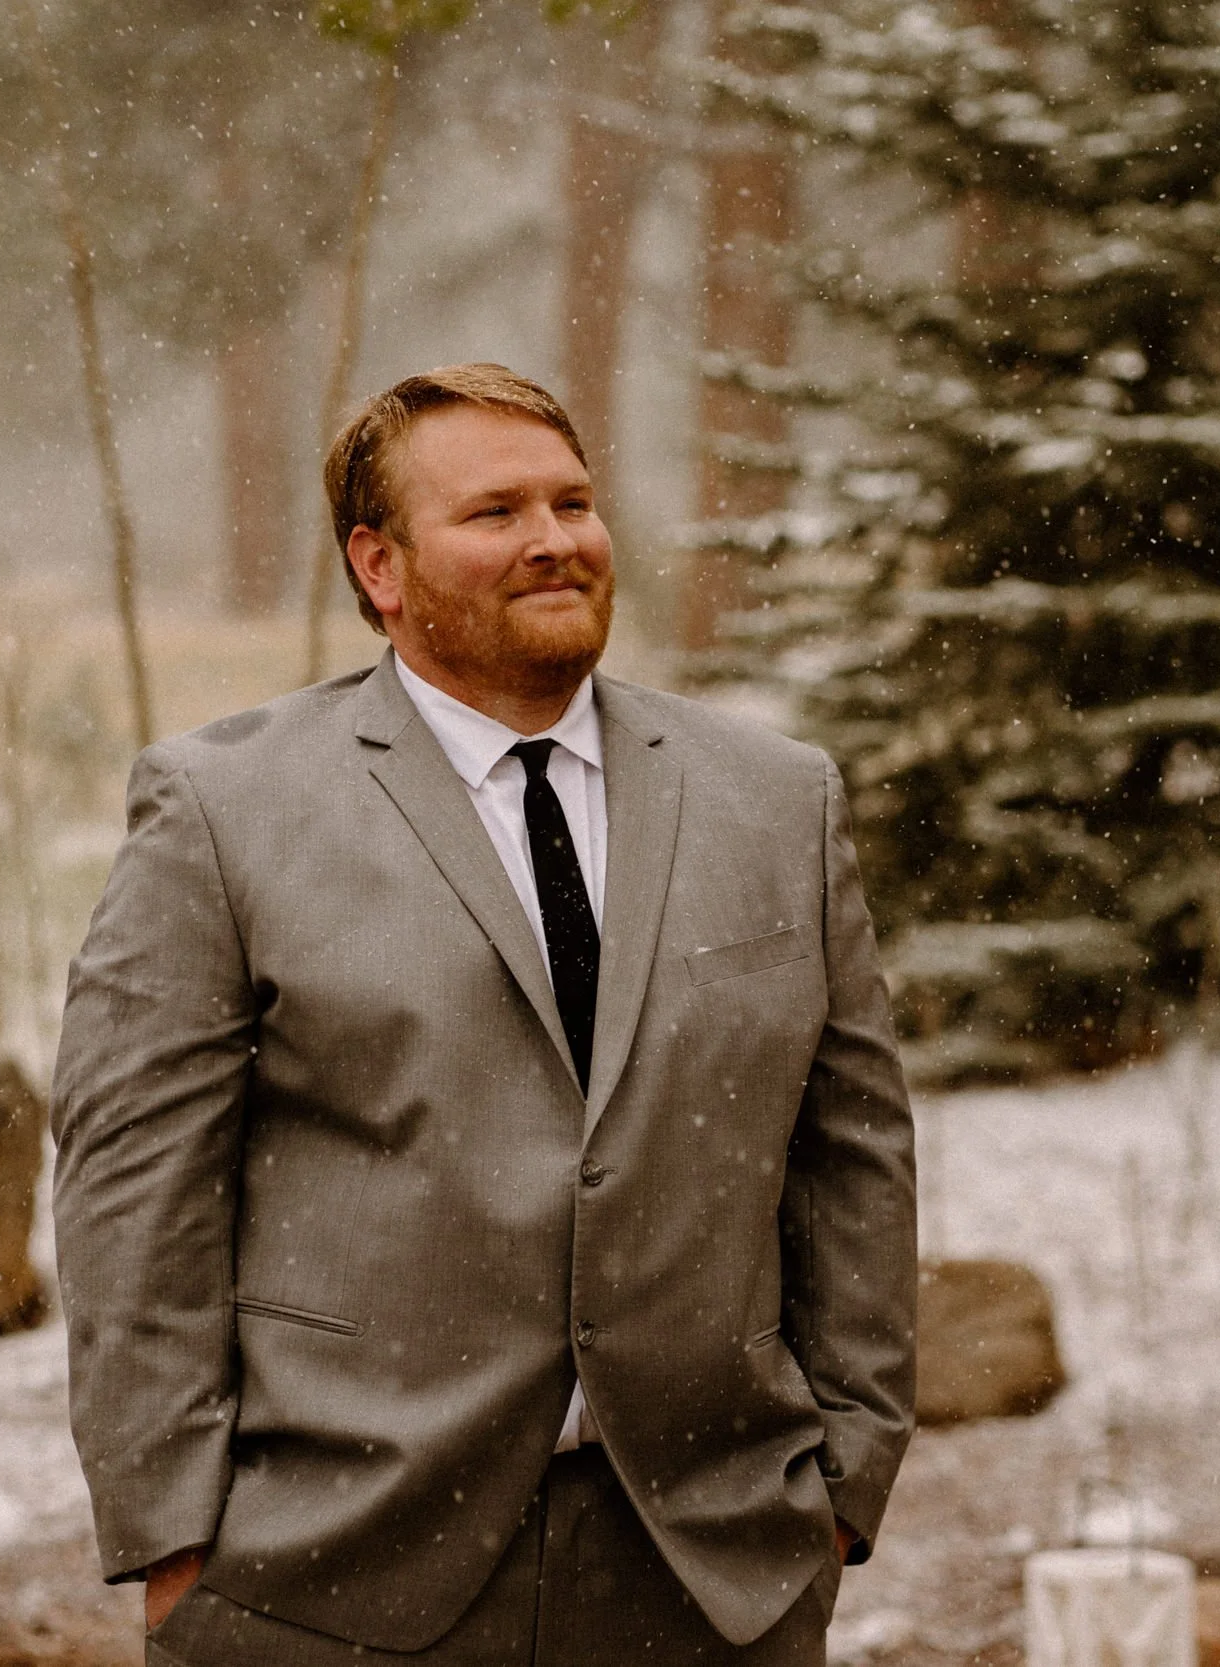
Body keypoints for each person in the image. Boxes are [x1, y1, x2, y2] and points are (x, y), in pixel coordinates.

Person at [52, 363, 916, 1667]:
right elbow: (135, 1187)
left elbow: (852, 1151)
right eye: (496, 513)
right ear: (381, 566)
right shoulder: (224, 812)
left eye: (572, 502)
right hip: (327, 1576)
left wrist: (845, 1478)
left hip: (711, 1574)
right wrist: (172, 1534)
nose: (555, 539)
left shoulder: (777, 800)